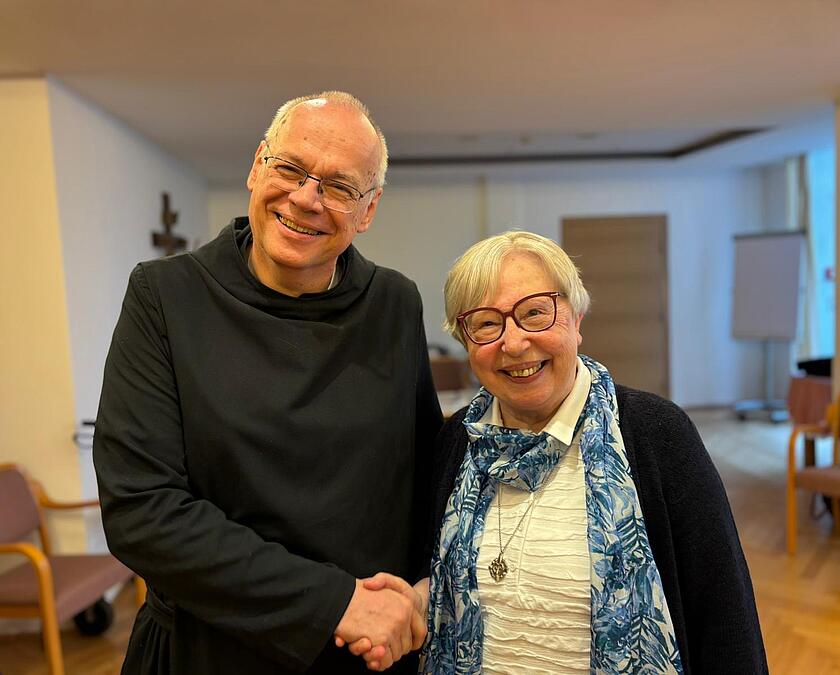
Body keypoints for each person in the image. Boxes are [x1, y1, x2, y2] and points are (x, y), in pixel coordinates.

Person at [93, 91, 443, 674]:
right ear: (257, 166)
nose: (306, 198)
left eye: (339, 186)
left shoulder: (394, 303)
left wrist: (424, 590)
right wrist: (334, 604)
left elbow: (422, 472)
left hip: (365, 652)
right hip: (211, 648)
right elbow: (141, 510)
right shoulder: (166, 296)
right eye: (290, 168)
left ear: (368, 209)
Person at [350, 231, 768, 673]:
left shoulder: (657, 433)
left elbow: (724, 614)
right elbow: (446, 573)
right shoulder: (457, 441)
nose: (513, 344)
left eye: (535, 312)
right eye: (486, 323)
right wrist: (420, 599)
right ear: (466, 341)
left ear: (576, 318)